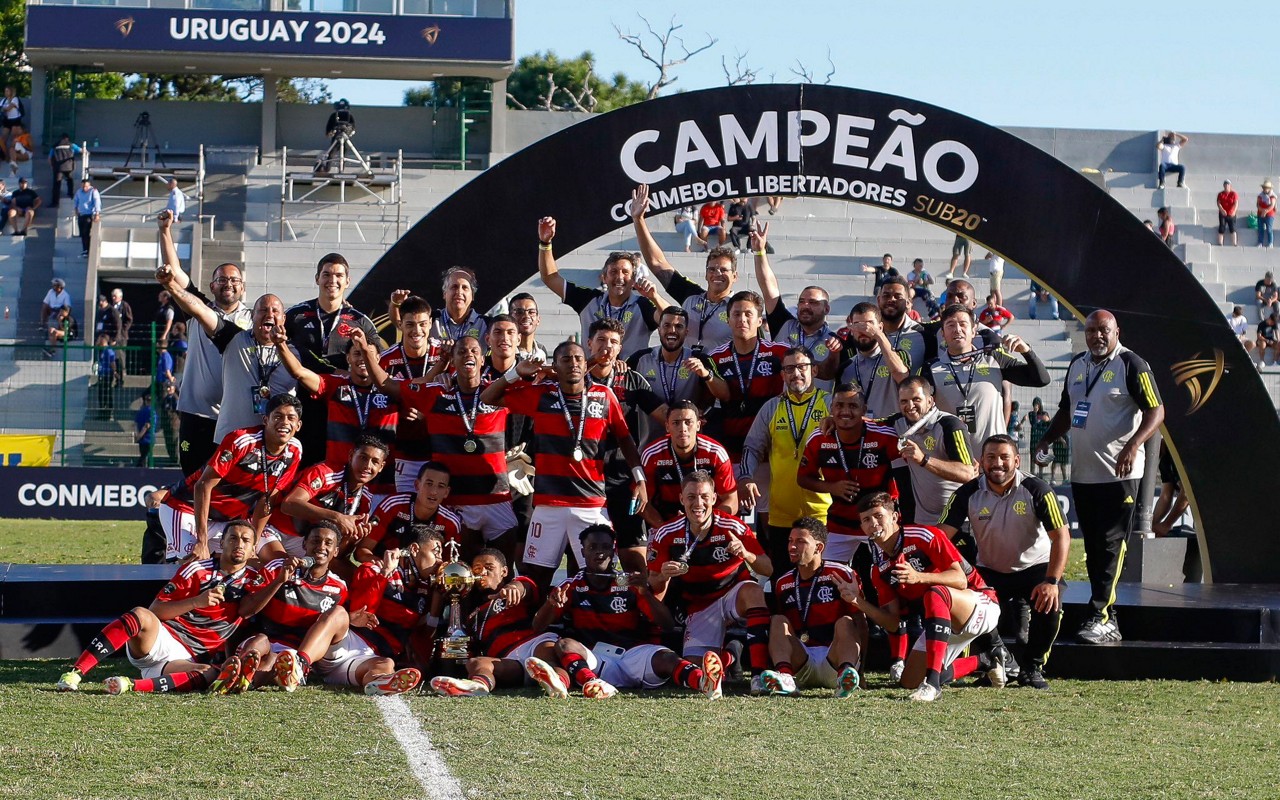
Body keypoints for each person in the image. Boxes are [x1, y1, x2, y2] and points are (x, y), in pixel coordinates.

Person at [1034, 310, 1164, 644]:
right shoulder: (1077, 365)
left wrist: (1134, 445)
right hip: (1084, 474)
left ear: (1116, 332)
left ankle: (1103, 616)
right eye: (1091, 330)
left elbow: (1156, 410)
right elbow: (1066, 410)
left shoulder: (1132, 364)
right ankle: (1104, 613)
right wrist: (1048, 438)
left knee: (1110, 546)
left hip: (1120, 475)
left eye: (1103, 330)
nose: (1096, 336)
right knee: (1093, 548)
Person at [480, 340, 648, 592]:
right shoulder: (542, 394)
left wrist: (640, 478)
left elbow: (625, 438)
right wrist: (517, 372)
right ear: (555, 367)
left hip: (591, 505)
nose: (574, 364)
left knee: (599, 577)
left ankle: (588, 627)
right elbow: (488, 397)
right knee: (536, 577)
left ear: (586, 363)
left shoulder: (603, 396)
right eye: (566, 360)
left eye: (578, 359)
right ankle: (534, 630)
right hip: (549, 506)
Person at [55, 519, 272, 695]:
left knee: (210, 675)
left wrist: (280, 579)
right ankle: (75, 673)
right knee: (140, 614)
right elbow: (157, 609)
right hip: (164, 639)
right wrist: (197, 601)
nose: (239, 544)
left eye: (245, 540)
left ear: (253, 549)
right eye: (233, 538)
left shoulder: (255, 581)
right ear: (222, 542)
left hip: (189, 660)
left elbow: (249, 610)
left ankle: (129, 685)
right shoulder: (196, 570)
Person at [528, 524, 723, 699]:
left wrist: (645, 593)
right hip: (598, 660)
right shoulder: (571, 586)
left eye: (605, 547)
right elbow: (537, 626)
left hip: (633, 655)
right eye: (593, 547)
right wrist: (551, 604)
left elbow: (667, 624)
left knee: (667, 657)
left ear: (613, 551)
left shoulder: (629, 582)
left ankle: (704, 682)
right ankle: (592, 683)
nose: (600, 553)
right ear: (583, 552)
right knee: (564, 645)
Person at [939, 435, 1070, 690]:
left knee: (1050, 603)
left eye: (1004, 457)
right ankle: (1000, 658)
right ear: (981, 462)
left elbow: (1062, 536)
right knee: (968, 606)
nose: (997, 463)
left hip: (1035, 568)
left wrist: (1051, 581)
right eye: (990, 457)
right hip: (989, 569)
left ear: (1016, 461)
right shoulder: (967, 493)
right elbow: (941, 538)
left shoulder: (1037, 489)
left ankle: (1032, 668)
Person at [846, 492, 1003, 701]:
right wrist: (857, 601)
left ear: (894, 517)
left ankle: (933, 685)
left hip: (979, 603)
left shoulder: (924, 535)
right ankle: (986, 660)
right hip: (940, 619)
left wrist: (918, 577)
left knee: (934, 592)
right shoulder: (878, 568)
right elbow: (893, 623)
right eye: (866, 520)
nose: (873, 523)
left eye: (878, 516)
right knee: (909, 682)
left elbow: (960, 580)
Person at [368, 336, 514, 554]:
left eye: (474, 351)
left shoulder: (496, 392)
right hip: (457, 502)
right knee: (460, 570)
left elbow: (537, 388)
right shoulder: (436, 393)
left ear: (483, 360)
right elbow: (387, 384)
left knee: (502, 568)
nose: (469, 355)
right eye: (462, 352)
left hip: (497, 496)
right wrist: (365, 350)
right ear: (452, 361)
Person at [648, 471, 773, 683]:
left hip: (733, 595)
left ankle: (758, 676)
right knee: (698, 668)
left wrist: (747, 554)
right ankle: (731, 655)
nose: (699, 503)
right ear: (681, 499)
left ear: (714, 498)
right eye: (691, 497)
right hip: (700, 607)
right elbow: (652, 583)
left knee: (754, 591)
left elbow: (768, 569)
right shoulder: (666, 533)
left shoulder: (732, 526)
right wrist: (663, 576)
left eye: (705, 497)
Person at [154, 213, 253, 476]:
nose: (228, 284)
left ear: (243, 287)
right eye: (222, 279)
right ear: (212, 286)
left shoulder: (253, 320)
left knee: (228, 486)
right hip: (196, 415)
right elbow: (174, 273)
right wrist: (165, 230)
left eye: (234, 280)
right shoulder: (197, 309)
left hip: (236, 418)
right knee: (192, 482)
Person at [151, 393, 304, 563]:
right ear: (265, 420)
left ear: (298, 425)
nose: (284, 423)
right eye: (278, 416)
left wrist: (252, 542)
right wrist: (201, 541)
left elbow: (267, 499)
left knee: (268, 561)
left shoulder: (295, 451)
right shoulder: (242, 441)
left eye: (291, 418)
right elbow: (202, 486)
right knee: (194, 564)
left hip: (230, 520)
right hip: (186, 509)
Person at [284, 252, 386, 467]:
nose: (332, 280)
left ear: (347, 281)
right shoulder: (296, 315)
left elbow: (377, 356)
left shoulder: (360, 320)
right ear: (317, 279)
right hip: (303, 401)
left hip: (343, 405)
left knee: (337, 465)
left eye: (339, 275)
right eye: (326, 274)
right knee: (301, 464)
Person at [580, 318, 666, 571]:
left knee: (635, 560)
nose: (607, 347)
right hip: (583, 479)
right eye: (601, 340)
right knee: (584, 554)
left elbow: (662, 412)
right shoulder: (574, 380)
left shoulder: (631, 379)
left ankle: (634, 608)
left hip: (622, 479)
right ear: (589, 343)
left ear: (620, 348)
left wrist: (689, 421)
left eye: (614, 342)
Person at [740, 346, 832, 574]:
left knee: (823, 576)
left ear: (815, 370)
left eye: (802, 367)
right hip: (781, 513)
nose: (796, 373)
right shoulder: (772, 407)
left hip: (822, 510)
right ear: (782, 375)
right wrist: (745, 477)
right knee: (782, 576)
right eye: (789, 369)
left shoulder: (830, 404)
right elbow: (751, 447)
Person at [275, 329, 398, 496]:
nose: (362, 358)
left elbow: (422, 392)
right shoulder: (335, 385)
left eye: (367, 353)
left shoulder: (392, 390)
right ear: (348, 358)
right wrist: (280, 344)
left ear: (378, 358)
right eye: (357, 353)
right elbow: (299, 372)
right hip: (337, 479)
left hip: (379, 481)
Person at [757, 517, 866, 697]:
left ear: (819, 547)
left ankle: (845, 678)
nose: (792, 547)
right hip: (802, 661)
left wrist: (861, 672)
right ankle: (786, 677)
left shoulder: (841, 574)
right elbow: (781, 637)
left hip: (834, 657)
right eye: (790, 541)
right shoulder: (783, 582)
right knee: (777, 621)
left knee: (845, 622)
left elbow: (859, 622)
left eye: (800, 542)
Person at [428, 548, 560, 698]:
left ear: (504, 571)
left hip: (533, 643)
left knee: (547, 657)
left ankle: (559, 683)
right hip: (507, 659)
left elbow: (525, 587)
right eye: (477, 569)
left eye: (489, 568)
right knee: (477, 663)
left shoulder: (515, 586)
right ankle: (478, 685)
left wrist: (512, 589)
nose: (482, 572)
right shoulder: (472, 612)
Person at [797, 384, 900, 565]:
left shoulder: (885, 436)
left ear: (864, 410)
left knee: (891, 575)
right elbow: (802, 478)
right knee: (827, 578)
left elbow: (905, 477)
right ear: (831, 409)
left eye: (853, 406)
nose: (845, 411)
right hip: (840, 523)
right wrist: (832, 488)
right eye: (839, 405)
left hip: (879, 522)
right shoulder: (819, 438)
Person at [633, 184, 740, 351]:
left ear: (735, 276)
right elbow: (657, 263)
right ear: (706, 275)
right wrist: (638, 220)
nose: (717, 273)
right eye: (712, 269)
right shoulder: (691, 296)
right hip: (686, 374)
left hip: (720, 376)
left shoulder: (740, 307)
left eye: (724, 270)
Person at [536, 216, 661, 357]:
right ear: (604, 278)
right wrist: (545, 243)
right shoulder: (588, 300)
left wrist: (655, 298)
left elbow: (671, 322)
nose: (619, 277)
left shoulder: (644, 306)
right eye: (613, 272)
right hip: (590, 375)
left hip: (628, 377)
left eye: (625, 273)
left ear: (633, 280)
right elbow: (550, 278)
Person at [925, 305, 1048, 448]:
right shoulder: (931, 368)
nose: (957, 329)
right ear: (943, 333)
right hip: (954, 459)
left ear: (973, 331)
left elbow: (1041, 379)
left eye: (963, 324)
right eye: (950, 325)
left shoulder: (994, 359)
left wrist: (1026, 351)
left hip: (993, 459)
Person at [699, 290, 790, 461]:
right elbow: (707, 402)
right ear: (728, 320)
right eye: (736, 314)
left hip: (771, 447)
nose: (742, 319)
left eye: (748, 314)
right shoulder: (715, 357)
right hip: (731, 447)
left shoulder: (779, 352)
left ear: (759, 321)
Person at [272, 434, 388, 559]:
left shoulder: (365, 498)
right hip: (277, 531)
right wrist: (336, 517)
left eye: (375, 462)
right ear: (351, 456)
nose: (367, 466)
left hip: (307, 544)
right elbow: (289, 504)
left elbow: (339, 554)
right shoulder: (326, 473)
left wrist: (352, 538)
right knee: (279, 567)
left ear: (381, 467)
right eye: (363, 458)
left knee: (340, 569)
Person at [888, 376, 978, 525]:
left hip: (958, 519)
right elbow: (868, 423)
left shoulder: (950, 424)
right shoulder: (898, 422)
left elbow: (967, 473)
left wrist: (924, 459)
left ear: (930, 401)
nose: (910, 406)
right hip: (923, 519)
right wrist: (834, 419)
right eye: (904, 401)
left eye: (916, 399)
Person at [641, 400, 737, 526]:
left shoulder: (715, 453)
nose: (683, 429)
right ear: (667, 426)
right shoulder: (652, 455)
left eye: (688, 422)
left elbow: (732, 500)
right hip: (666, 524)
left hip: (708, 523)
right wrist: (668, 529)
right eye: (676, 423)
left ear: (698, 425)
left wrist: (706, 525)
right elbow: (642, 502)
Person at [753, 224, 834, 368]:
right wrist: (760, 252)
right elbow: (768, 288)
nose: (805, 306)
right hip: (782, 391)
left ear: (826, 309)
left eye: (813, 302)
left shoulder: (835, 342)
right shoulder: (783, 324)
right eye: (802, 301)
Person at [355, 461, 463, 562]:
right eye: (429, 484)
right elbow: (362, 550)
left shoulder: (451, 522)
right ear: (417, 485)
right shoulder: (393, 505)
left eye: (440, 486)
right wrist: (386, 567)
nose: (434, 492)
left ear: (446, 492)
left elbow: (449, 564)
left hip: (427, 578)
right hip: (387, 571)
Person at [819, 302, 911, 419]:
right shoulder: (846, 366)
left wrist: (879, 336)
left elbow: (902, 378)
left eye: (869, 325)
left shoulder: (899, 356)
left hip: (890, 431)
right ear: (851, 329)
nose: (863, 330)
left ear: (880, 327)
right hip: (860, 433)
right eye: (857, 325)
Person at [627, 307, 708, 409]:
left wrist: (706, 375)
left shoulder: (699, 361)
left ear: (686, 332)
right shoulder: (640, 358)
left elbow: (722, 395)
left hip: (683, 424)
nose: (672, 330)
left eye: (678, 326)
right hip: (648, 425)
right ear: (659, 330)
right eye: (666, 325)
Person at [431, 265, 489, 346]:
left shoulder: (487, 325)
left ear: (472, 295)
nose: (459, 292)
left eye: (465, 287)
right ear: (444, 293)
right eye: (454, 287)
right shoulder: (430, 320)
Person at [508, 292, 549, 363]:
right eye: (519, 312)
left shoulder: (541, 351)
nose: (526, 316)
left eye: (531, 312)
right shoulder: (503, 350)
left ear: (538, 319)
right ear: (509, 318)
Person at [108, 287, 133, 383]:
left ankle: (122, 375)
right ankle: (114, 375)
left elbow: (129, 319)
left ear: (120, 297)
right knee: (112, 356)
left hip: (121, 336)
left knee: (120, 355)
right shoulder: (111, 307)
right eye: (112, 296)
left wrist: (123, 329)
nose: (113, 298)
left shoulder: (124, 306)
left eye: (115, 296)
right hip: (112, 335)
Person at [47, 134, 79, 207]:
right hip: (68, 167)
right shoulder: (71, 145)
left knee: (56, 185)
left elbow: (49, 158)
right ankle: (70, 194)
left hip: (58, 168)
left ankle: (55, 202)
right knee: (70, 180)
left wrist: (52, 166)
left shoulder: (55, 146)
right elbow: (80, 150)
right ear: (67, 138)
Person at [72, 178, 100, 258]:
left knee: (86, 232)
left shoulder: (93, 191)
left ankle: (88, 250)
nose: (85, 188)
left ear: (89, 185)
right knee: (82, 234)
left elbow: (97, 202)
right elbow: (76, 201)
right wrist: (76, 210)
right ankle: (85, 250)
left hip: (89, 214)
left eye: (86, 187)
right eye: (83, 186)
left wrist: (97, 214)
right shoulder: (79, 192)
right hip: (81, 215)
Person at [134, 391, 156, 467]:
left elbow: (136, 424)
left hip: (142, 439)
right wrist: (139, 435)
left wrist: (138, 436)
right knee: (145, 457)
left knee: (143, 455)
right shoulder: (152, 411)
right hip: (148, 438)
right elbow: (147, 425)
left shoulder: (141, 411)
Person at [0, 86, 24, 153]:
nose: (6, 93)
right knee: (3, 137)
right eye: (5, 91)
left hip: (15, 120)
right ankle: (3, 153)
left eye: (7, 91)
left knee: (14, 138)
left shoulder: (15, 99)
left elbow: (8, 108)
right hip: (7, 120)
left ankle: (15, 153)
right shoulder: (4, 100)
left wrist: (3, 108)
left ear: (11, 91)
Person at [1218, 180, 1239, 246]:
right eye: (1225, 185)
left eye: (1228, 185)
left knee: (1232, 228)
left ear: (1230, 186)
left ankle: (1234, 243)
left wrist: (1234, 211)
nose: (1226, 186)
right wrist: (1222, 210)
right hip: (1223, 213)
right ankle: (1220, 243)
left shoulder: (1234, 194)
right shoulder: (1220, 194)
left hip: (1231, 214)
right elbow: (1219, 203)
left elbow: (1236, 203)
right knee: (1222, 227)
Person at [1257, 180, 1276, 249]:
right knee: (1260, 229)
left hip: (1269, 215)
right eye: (1264, 187)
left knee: (1269, 229)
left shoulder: (1272, 196)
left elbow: (1272, 205)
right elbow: (1258, 205)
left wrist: (1266, 211)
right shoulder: (1260, 196)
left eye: (1267, 188)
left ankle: (1270, 242)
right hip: (1260, 214)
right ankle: (1260, 242)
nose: (1265, 189)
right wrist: (1262, 211)